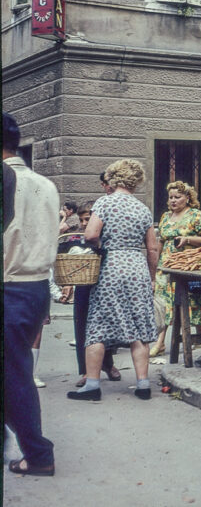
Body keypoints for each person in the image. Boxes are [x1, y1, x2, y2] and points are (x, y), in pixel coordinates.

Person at [67, 159, 160, 402]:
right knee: (139, 327)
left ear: (113, 177)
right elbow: (152, 249)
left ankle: (92, 385)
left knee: (98, 326)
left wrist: (99, 246)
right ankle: (143, 385)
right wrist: (152, 277)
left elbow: (91, 233)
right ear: (135, 180)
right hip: (137, 267)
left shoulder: (105, 202)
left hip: (111, 267)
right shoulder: (142, 208)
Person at [3, 112, 57, 476]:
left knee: (14, 375)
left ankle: (38, 455)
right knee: (15, 370)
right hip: (35, 286)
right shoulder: (45, 184)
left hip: (9, 286)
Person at [151, 181, 201, 356]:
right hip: (166, 265)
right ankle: (160, 342)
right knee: (164, 302)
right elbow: (161, 242)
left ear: (187, 198)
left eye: (177, 197)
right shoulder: (165, 217)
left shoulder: (197, 216)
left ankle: (199, 338)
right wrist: (155, 264)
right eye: (171, 197)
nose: (173, 201)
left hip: (188, 264)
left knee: (193, 299)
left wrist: (187, 239)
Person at [65, 200, 121, 387]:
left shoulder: (107, 239)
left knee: (104, 327)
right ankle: (86, 371)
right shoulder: (79, 240)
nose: (83, 224)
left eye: (87, 219)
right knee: (81, 327)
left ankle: (108, 364)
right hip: (83, 287)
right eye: (81, 220)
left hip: (103, 286)